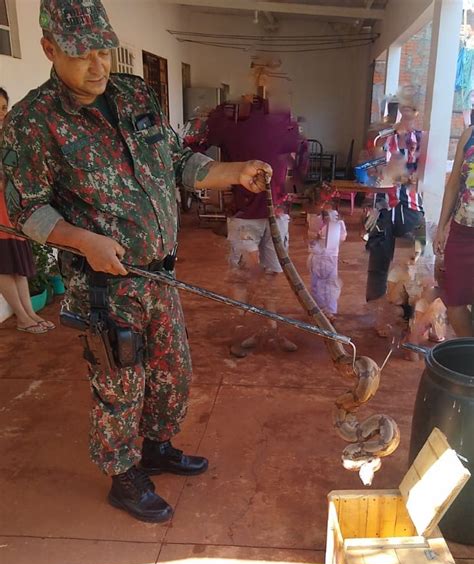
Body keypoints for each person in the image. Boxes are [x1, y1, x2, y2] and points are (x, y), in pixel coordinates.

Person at [0, 0, 272, 523]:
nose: (99, 65)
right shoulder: (33, 123)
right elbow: (25, 211)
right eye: (82, 55)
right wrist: (83, 240)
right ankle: (123, 476)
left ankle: (155, 448)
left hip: (161, 274)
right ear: (49, 50)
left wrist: (233, 172)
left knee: (172, 372)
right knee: (120, 385)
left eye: (104, 50)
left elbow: (177, 160)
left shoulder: (133, 93)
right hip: (105, 286)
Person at [204, 96, 302, 357]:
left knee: (271, 276)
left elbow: (295, 155)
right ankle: (244, 330)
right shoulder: (231, 114)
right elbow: (197, 146)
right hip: (243, 214)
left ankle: (271, 329)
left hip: (276, 214)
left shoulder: (283, 114)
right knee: (246, 275)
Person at [365, 88, 426, 338]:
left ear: (418, 111)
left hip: (410, 209)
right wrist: (377, 169)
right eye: (402, 107)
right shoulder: (383, 137)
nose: (405, 111)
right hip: (382, 209)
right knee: (378, 265)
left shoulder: (424, 139)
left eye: (410, 107)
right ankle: (379, 319)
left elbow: (424, 172)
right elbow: (372, 167)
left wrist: (412, 176)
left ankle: (409, 321)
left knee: (411, 266)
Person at [0, 87, 54, 334]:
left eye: (3, 108)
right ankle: (22, 317)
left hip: (11, 210)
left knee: (19, 266)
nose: (1, 114)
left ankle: (30, 313)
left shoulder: (8, 137)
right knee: (4, 267)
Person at [433, 125, 474, 337]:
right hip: (461, 233)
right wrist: (441, 227)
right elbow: (453, 185)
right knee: (455, 303)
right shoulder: (469, 135)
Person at [306, 186, 347, 322]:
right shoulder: (319, 218)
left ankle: (326, 311)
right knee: (323, 285)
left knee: (323, 285)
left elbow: (340, 237)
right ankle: (325, 311)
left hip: (324, 256)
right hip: (324, 256)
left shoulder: (322, 218)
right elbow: (341, 237)